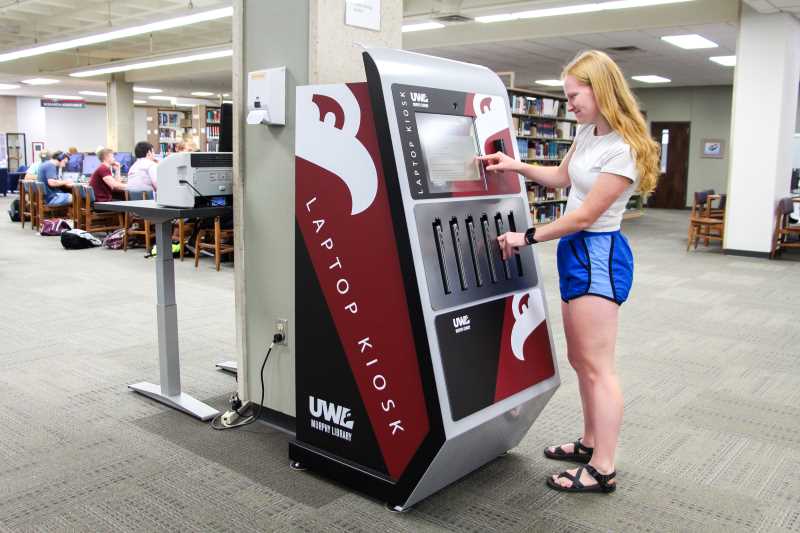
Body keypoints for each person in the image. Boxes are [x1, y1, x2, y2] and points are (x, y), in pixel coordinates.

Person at [482, 50, 659, 494]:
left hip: (597, 252)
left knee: (598, 367)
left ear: (601, 90)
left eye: (574, 96)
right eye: (565, 97)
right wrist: (516, 165)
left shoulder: (624, 149)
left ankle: (603, 468)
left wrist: (527, 235)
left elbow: (584, 217)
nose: (569, 105)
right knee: (580, 360)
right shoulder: (586, 133)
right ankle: (590, 440)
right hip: (576, 252)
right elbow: (562, 179)